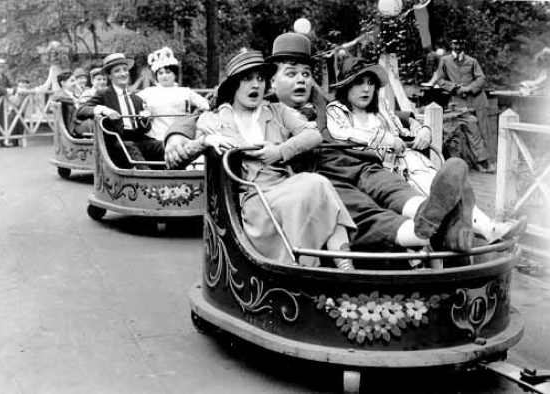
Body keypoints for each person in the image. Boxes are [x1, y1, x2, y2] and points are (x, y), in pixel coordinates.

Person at [165, 34, 476, 256]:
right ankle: (416, 231)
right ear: (272, 81)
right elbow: (203, 118)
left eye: (306, 73)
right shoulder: (261, 103)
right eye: (291, 73)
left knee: (374, 176)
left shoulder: (325, 102)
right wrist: (177, 137)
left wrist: (416, 123)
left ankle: (431, 216)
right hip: (303, 175)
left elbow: (383, 112)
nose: (302, 80)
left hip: (349, 162)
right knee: (347, 197)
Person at [327, 56, 527, 244]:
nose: (366, 89)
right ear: (346, 87)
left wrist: (422, 130)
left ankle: (488, 227)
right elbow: (344, 134)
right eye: (358, 83)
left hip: (402, 161)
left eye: (370, 83)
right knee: (427, 188)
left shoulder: (380, 107)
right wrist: (388, 140)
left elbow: (402, 131)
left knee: (433, 180)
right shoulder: (336, 110)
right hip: (372, 171)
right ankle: (464, 230)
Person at [192, 50, 356, 269]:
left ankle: (345, 268)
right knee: (307, 191)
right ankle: (305, 271)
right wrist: (206, 140)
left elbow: (313, 135)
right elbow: (178, 158)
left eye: (260, 79)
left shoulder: (277, 111)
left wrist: (279, 151)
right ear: (233, 85)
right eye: (247, 79)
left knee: (317, 184)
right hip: (252, 198)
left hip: (282, 184)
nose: (256, 85)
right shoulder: (214, 119)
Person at [77, 53, 165, 169]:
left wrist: (145, 119)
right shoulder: (104, 94)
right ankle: (147, 177)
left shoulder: (136, 99)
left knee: (159, 145)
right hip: (116, 143)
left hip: (137, 140)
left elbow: (145, 129)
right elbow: (81, 111)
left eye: (125, 70)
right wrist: (104, 109)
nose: (123, 73)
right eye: (117, 71)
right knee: (128, 145)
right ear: (110, 76)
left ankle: (174, 175)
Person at [432, 37, 496, 173]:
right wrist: (454, 87)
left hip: (478, 100)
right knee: (471, 131)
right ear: (451, 44)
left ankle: (490, 161)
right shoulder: (445, 60)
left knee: (484, 131)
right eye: (455, 42)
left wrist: (469, 88)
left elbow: (481, 78)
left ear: (464, 44)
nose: (457, 45)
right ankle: (480, 162)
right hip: (460, 101)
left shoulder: (472, 61)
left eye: (460, 42)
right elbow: (439, 79)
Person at [137, 46, 209, 142]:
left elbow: (205, 104)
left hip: (180, 136)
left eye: (168, 72)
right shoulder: (148, 92)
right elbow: (129, 101)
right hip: (155, 138)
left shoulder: (185, 92)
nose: (164, 76)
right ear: (156, 76)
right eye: (161, 73)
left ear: (175, 74)